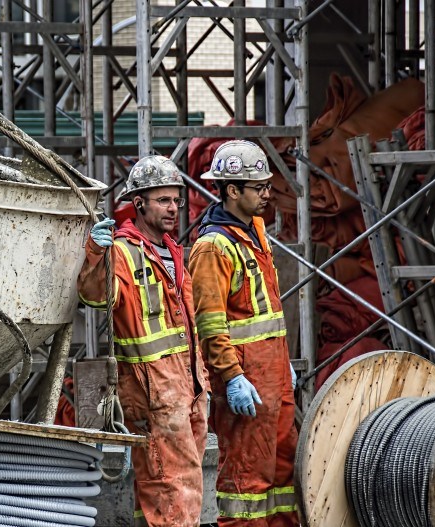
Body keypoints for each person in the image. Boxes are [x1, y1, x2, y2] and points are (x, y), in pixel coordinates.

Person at [78, 155, 209, 527]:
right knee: (173, 489)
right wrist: (96, 253)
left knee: (178, 486)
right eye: (164, 200)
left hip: (188, 388)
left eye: (176, 200)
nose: (174, 209)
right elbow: (95, 297)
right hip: (154, 391)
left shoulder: (172, 251)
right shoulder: (122, 251)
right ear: (139, 204)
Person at [187, 140, 299, 527]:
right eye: (259, 188)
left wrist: (283, 365)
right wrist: (232, 377)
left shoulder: (253, 232)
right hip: (248, 380)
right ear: (232, 190)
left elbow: (267, 310)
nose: (268, 194)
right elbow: (211, 323)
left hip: (274, 378)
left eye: (267, 185)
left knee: (284, 474)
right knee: (246, 483)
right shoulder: (212, 247)